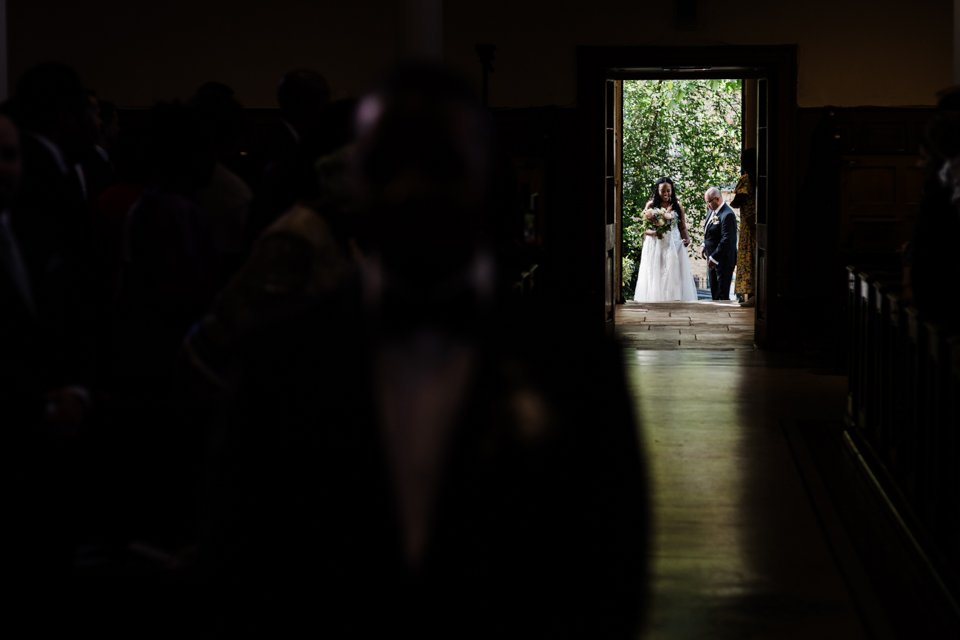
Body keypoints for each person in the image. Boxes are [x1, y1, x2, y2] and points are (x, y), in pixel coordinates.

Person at [198, 61, 650, 639]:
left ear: (486, 181)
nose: (415, 188)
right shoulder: (285, 355)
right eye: (392, 166)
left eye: (442, 165)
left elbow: (609, 568)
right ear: (357, 180)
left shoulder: (570, 359)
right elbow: (238, 554)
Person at [632, 176, 697, 302]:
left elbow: (682, 226)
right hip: (655, 244)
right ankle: (656, 298)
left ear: (672, 190)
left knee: (673, 272)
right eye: (663, 191)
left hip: (673, 243)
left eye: (668, 190)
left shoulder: (677, 205)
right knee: (656, 272)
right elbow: (643, 229)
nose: (666, 193)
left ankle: (673, 299)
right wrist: (655, 233)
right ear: (658, 191)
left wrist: (687, 239)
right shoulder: (651, 205)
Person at [701, 186, 738, 301]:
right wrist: (704, 245)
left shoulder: (728, 215)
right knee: (715, 296)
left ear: (717, 199)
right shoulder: (711, 211)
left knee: (722, 296)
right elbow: (710, 232)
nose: (707, 205)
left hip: (723, 261)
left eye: (709, 202)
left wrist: (714, 257)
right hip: (712, 259)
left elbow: (727, 240)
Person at [732, 149, 756, 306]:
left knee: (749, 258)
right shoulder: (758, 178)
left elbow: (738, 200)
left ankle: (753, 294)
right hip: (755, 221)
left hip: (749, 223)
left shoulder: (746, 179)